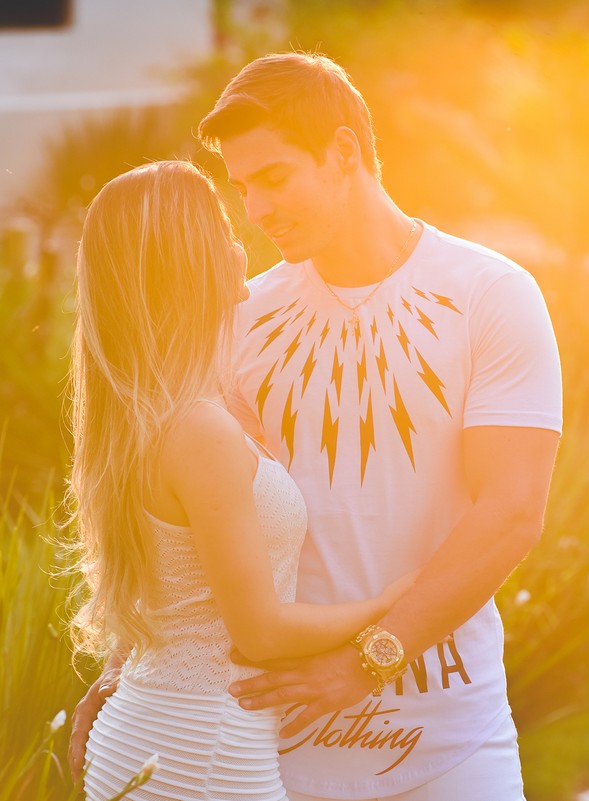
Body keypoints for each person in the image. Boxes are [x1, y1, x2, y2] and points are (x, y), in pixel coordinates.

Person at [70, 52, 563, 801]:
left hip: (451, 737)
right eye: (240, 188)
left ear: (344, 152)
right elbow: (171, 511)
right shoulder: (237, 317)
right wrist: (128, 667)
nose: (257, 209)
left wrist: (370, 660)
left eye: (273, 177)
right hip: (279, 744)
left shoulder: (492, 295)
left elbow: (513, 511)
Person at [65, 160, 415, 801]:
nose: (238, 241)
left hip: (169, 734)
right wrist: (392, 602)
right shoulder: (198, 429)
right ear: (191, 262)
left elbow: (170, 585)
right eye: (222, 227)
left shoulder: (168, 409)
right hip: (198, 754)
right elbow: (260, 633)